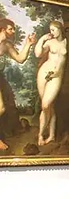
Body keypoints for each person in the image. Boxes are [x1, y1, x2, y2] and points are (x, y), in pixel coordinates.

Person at [0, 18, 36, 150]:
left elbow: (20, 59)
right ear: (3, 29)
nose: (13, 31)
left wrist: (28, 44)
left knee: (3, 108)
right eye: (11, 29)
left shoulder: (6, 45)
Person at [35, 20, 67, 146]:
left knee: (46, 105)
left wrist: (55, 73)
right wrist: (41, 39)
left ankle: (42, 134)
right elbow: (38, 54)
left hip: (56, 76)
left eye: (53, 30)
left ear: (60, 29)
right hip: (44, 73)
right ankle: (48, 135)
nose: (52, 32)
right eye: (50, 30)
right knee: (48, 106)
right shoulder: (50, 42)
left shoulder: (67, 42)